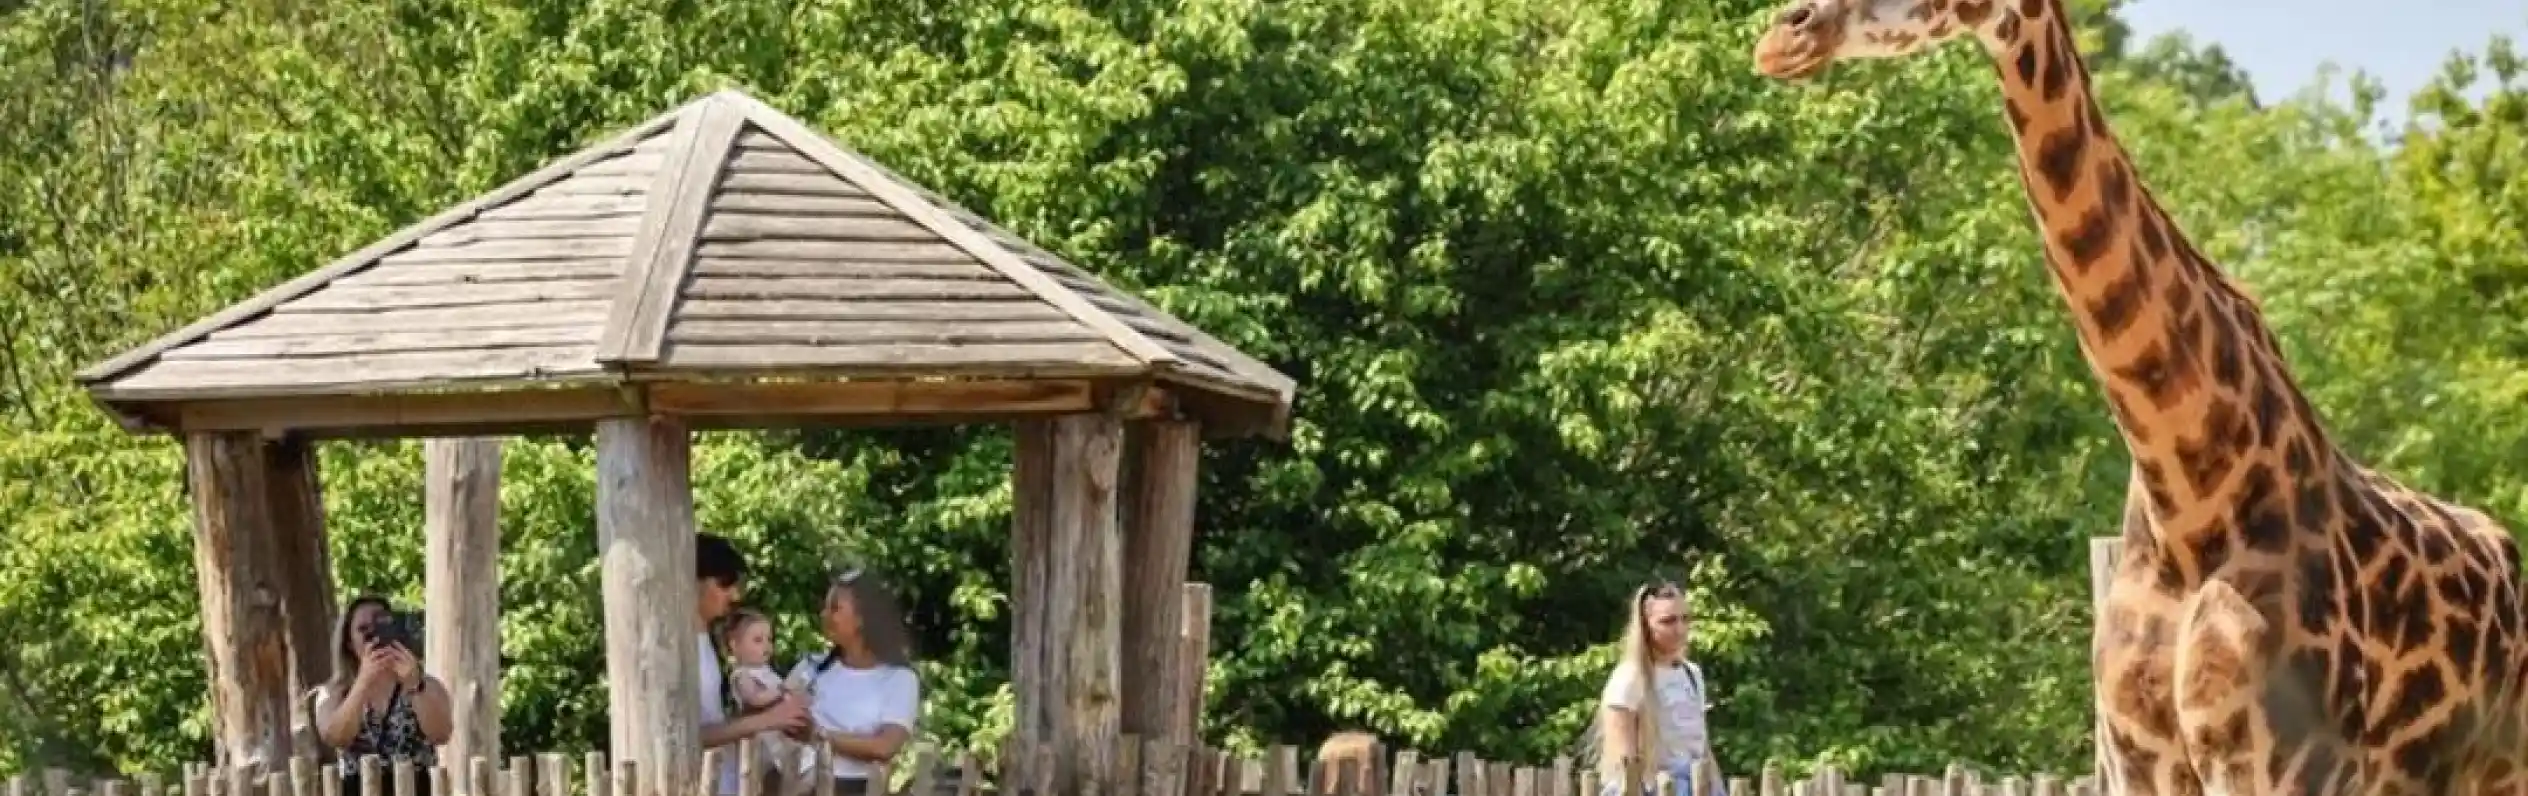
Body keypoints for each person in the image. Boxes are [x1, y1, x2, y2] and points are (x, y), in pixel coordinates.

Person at [697, 533, 812, 796]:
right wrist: (768, 719)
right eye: (724, 583)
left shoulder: (705, 640)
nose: (734, 595)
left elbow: (713, 720)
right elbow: (684, 735)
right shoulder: (674, 649)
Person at [790, 568, 920, 796]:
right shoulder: (810, 667)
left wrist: (818, 736)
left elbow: (885, 746)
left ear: (862, 619)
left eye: (835, 608)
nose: (824, 614)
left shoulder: (899, 679)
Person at [313, 595, 452, 794]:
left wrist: (414, 685)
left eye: (381, 625)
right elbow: (335, 736)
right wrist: (363, 683)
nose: (373, 635)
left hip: (415, 788)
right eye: (363, 629)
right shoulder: (334, 691)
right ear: (349, 642)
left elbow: (441, 734)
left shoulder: (426, 683)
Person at [1594, 578, 1721, 796]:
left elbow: (1702, 744)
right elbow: (1623, 758)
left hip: (1697, 782)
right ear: (1646, 626)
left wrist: (1717, 786)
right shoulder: (1629, 678)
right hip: (1655, 786)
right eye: (1668, 621)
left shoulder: (1691, 674)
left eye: (1684, 619)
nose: (1679, 629)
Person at [720, 607, 815, 796]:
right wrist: (781, 689)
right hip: (766, 737)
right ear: (735, 646)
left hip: (782, 732)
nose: (766, 646)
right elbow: (755, 698)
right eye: (757, 640)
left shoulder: (767, 671)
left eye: (769, 639)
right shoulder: (742, 675)